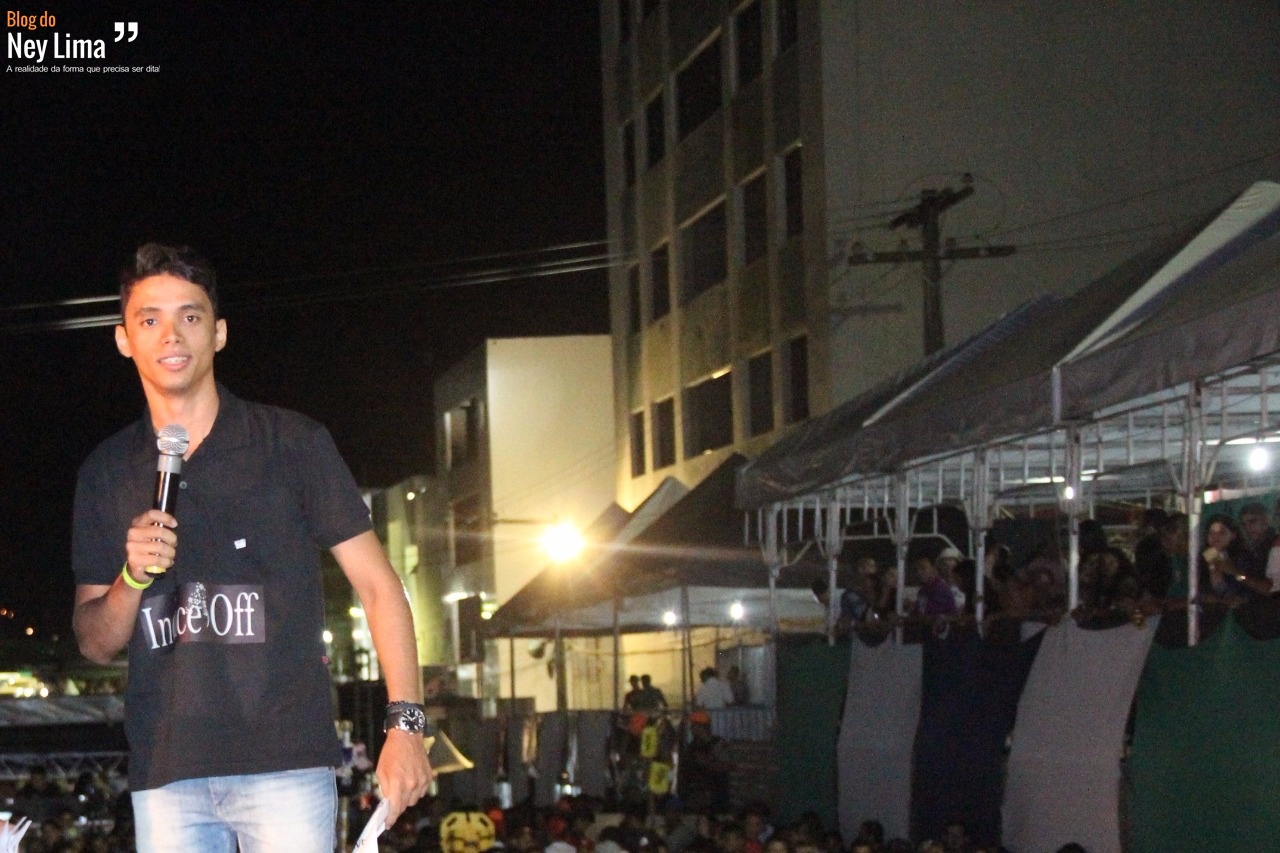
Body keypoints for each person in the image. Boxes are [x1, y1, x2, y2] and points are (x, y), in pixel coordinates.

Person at [70, 244, 433, 851]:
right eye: (149, 319)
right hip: (165, 767)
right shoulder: (106, 472)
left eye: (190, 316)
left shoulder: (292, 444)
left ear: (219, 332)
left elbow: (378, 586)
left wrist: (407, 726)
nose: (171, 335)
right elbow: (95, 642)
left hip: (285, 761)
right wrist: (131, 577)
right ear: (124, 340)